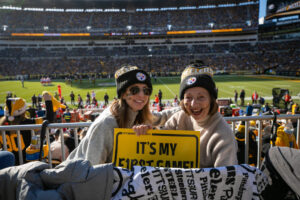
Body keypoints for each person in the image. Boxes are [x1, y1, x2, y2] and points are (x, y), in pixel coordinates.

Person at [67, 65, 179, 165]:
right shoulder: (106, 123)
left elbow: (162, 117)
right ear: (123, 94)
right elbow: (93, 168)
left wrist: (185, 106)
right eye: (135, 90)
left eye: (146, 91)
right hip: (80, 181)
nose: (142, 95)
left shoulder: (139, 114)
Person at [134, 60, 238, 168]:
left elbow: (225, 180)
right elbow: (160, 144)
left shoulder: (223, 134)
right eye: (188, 97)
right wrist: (147, 134)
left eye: (201, 97)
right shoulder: (180, 117)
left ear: (211, 100)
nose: (194, 104)